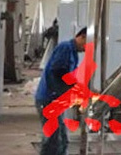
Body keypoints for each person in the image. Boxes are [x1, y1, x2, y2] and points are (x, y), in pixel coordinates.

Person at [35, 26, 87, 155]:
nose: (88, 48)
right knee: (53, 139)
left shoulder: (73, 53)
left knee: (62, 138)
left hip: (56, 100)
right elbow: (57, 71)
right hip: (49, 98)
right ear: (82, 37)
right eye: (88, 44)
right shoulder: (65, 48)